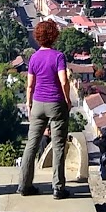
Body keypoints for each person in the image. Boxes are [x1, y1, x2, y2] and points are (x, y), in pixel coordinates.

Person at [16, 19, 72, 200]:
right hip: (56, 103)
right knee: (58, 146)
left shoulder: (33, 57)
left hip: (38, 103)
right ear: (54, 36)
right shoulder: (58, 56)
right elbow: (64, 81)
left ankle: (24, 185)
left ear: (38, 37)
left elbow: (30, 85)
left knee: (31, 145)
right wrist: (67, 99)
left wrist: (29, 103)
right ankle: (58, 188)